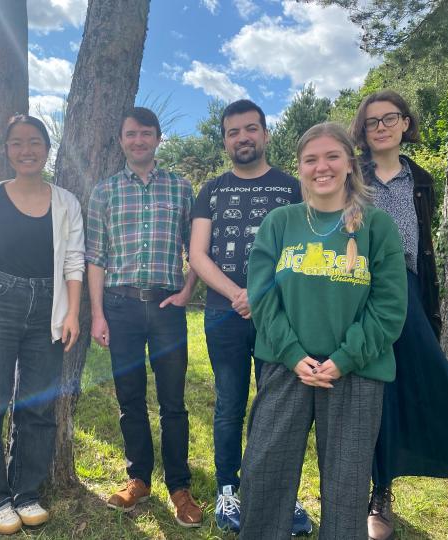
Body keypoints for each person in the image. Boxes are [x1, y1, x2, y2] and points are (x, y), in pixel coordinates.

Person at [350, 90, 448, 540]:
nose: (380, 127)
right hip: (357, 285)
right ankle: (351, 483)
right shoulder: (351, 174)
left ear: (404, 123)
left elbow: (423, 244)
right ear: (362, 130)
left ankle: (382, 492)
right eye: (372, 121)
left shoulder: (421, 179)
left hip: (409, 288)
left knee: (401, 386)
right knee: (362, 383)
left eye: (389, 119)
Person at [240, 122, 408, 539]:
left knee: (347, 486)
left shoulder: (377, 226)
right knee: (265, 472)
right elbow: (262, 297)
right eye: (310, 159)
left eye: (332, 156)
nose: (322, 167)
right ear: (299, 169)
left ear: (350, 163)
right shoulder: (280, 223)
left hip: (357, 371)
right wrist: (294, 354)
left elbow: (389, 307)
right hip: (285, 366)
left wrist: (344, 358)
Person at [0, 114, 84, 535]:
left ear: (48, 147)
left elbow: (74, 260)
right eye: (17, 143)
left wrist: (73, 312)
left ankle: (26, 492)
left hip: (50, 305)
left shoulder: (66, 201)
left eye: (35, 142)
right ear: (6, 150)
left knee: (38, 406)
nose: (27, 150)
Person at [190, 99, 311, 534]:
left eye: (250, 129)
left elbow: (305, 251)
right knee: (229, 404)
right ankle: (228, 490)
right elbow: (198, 254)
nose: (242, 138)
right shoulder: (212, 190)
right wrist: (237, 293)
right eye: (233, 132)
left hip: (279, 315)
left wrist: (260, 296)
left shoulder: (292, 189)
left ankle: (280, 492)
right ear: (224, 140)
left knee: (277, 408)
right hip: (224, 314)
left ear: (265, 133)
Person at [86, 107, 202, 528]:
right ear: (121, 140)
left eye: (146, 134)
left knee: (174, 401)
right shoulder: (105, 192)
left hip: (167, 305)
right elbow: (95, 257)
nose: (138, 140)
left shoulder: (181, 188)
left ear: (157, 138)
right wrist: (97, 314)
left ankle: (179, 486)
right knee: (129, 397)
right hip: (120, 307)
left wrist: (188, 290)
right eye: (131, 134)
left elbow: (197, 247)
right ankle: (138, 478)